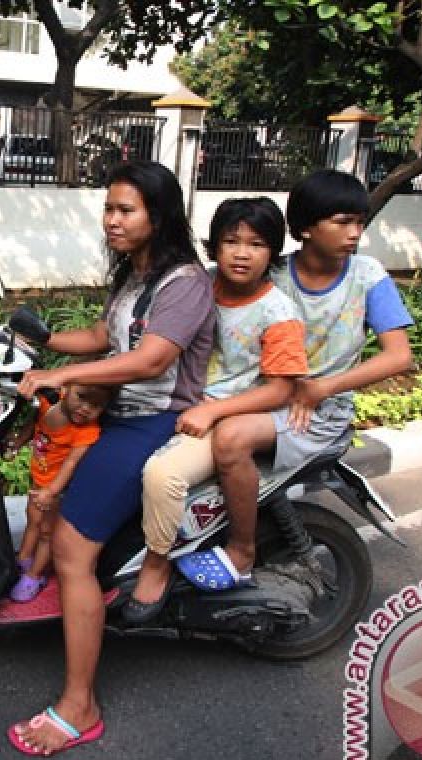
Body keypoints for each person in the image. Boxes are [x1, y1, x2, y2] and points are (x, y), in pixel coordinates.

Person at [7, 161, 215, 756]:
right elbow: (107, 335)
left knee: (71, 548)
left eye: (126, 210)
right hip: (119, 415)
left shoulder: (184, 282)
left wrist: (63, 373)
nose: (112, 220)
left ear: (159, 214)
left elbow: (149, 360)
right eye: (109, 209)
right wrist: (40, 344)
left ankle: (80, 705)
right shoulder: (135, 275)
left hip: (151, 421)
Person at [178, 169, 413, 593]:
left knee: (230, 438)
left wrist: (323, 387)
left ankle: (241, 552)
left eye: (358, 222)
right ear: (305, 227)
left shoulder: (367, 276)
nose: (354, 233)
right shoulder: (273, 270)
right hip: (260, 397)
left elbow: (399, 356)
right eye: (342, 222)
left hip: (318, 409)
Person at [123, 197, 307, 619]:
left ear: (273, 253)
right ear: (214, 247)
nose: (242, 253)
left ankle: (156, 564)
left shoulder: (278, 311)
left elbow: (280, 388)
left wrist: (213, 412)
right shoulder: (198, 284)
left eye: (257, 244)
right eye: (231, 241)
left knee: (163, 475)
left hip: (228, 415)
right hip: (177, 402)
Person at [6, 383, 113, 603]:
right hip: (39, 480)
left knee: (47, 532)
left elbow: (71, 464)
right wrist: (17, 443)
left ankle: (35, 576)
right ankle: (24, 559)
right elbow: (33, 424)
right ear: (65, 389)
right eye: (81, 397)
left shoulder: (86, 431)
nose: (85, 408)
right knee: (32, 521)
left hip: (56, 489)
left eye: (96, 405)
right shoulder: (47, 404)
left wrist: (52, 491)